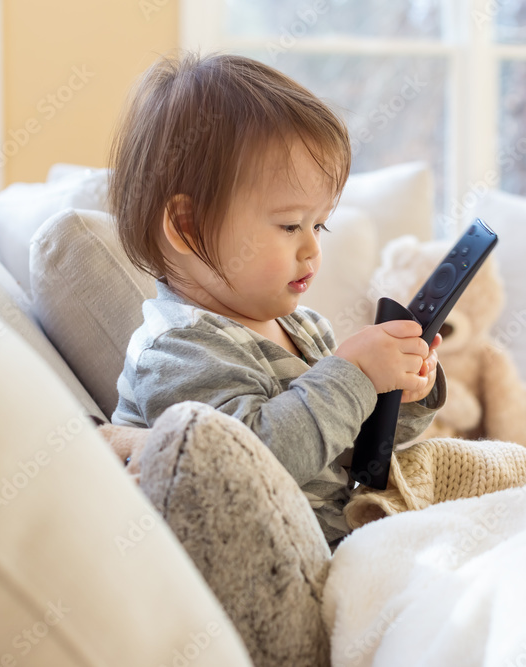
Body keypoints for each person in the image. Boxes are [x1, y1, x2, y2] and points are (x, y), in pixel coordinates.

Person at [108, 51, 445, 548]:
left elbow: (345, 444)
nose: (312, 247)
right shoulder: (177, 350)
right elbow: (251, 463)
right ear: (187, 226)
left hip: (343, 535)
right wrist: (352, 376)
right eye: (290, 225)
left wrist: (401, 391)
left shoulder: (303, 327)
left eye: (319, 224)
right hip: (276, 565)